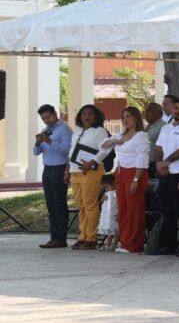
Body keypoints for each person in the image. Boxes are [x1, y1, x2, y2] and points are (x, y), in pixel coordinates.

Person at [101, 106, 150, 254]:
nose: (125, 120)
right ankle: (125, 241)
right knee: (123, 209)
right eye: (123, 117)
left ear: (136, 118)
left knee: (134, 209)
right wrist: (116, 140)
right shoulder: (120, 135)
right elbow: (103, 146)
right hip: (120, 173)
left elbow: (142, 158)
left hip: (134, 173)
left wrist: (136, 179)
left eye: (128, 117)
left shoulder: (141, 135)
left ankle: (134, 244)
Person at [65, 104, 111, 250]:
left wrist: (92, 161)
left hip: (91, 172)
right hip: (75, 172)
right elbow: (71, 153)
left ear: (96, 116)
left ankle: (91, 238)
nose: (87, 116)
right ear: (80, 116)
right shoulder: (77, 131)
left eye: (91, 114)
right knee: (81, 206)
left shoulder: (99, 131)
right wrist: (67, 171)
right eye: (84, 113)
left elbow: (106, 149)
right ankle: (82, 236)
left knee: (90, 206)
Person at [154, 98, 179, 256]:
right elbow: (157, 147)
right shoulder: (166, 128)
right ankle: (168, 245)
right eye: (176, 108)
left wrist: (166, 162)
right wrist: (159, 163)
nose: (177, 111)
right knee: (167, 211)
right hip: (164, 173)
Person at [33, 104, 72, 249]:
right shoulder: (46, 130)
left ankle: (61, 238)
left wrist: (50, 141)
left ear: (55, 114)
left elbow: (68, 151)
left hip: (60, 168)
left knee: (59, 204)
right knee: (51, 205)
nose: (46, 120)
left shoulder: (64, 129)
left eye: (48, 117)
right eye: (43, 118)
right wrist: (38, 143)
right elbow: (36, 152)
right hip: (47, 169)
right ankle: (53, 237)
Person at [144, 103, 166, 177]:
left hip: (155, 167)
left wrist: (159, 167)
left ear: (159, 113)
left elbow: (165, 149)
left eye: (149, 111)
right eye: (145, 110)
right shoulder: (148, 127)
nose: (145, 113)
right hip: (145, 166)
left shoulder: (164, 127)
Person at [97, 176, 119, 252]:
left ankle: (114, 243)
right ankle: (107, 244)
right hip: (108, 214)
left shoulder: (116, 193)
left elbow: (119, 203)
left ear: (113, 184)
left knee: (116, 229)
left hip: (114, 213)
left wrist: (119, 213)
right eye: (105, 187)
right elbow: (101, 202)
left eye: (107, 187)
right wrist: (103, 198)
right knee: (109, 230)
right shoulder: (107, 193)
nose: (106, 189)